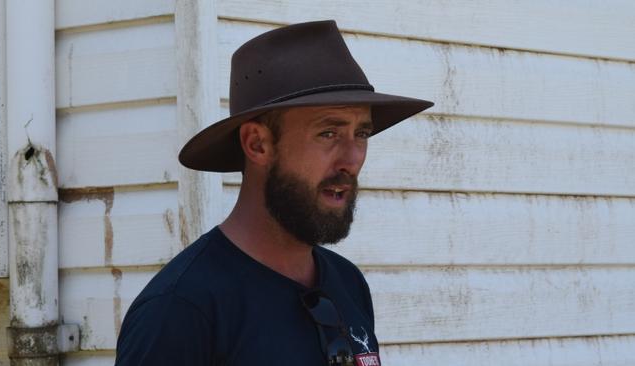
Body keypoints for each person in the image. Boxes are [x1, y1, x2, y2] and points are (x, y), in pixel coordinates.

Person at [115, 20, 433, 366]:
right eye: (328, 133)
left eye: (362, 134)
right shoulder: (181, 309)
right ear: (258, 144)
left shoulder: (347, 283)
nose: (352, 159)